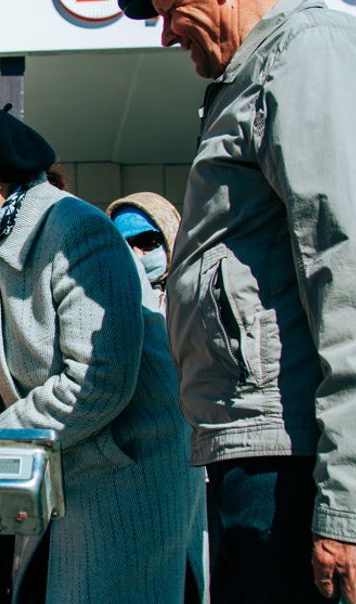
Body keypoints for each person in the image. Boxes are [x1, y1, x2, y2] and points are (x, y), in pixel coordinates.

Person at [119, 1, 356, 601]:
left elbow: (345, 269)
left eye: (164, 9)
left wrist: (347, 502)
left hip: (291, 451)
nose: (166, 35)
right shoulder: (250, 72)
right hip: (256, 440)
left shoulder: (303, 50)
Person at [0, 105, 205, 603]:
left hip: (127, 467)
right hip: (64, 459)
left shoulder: (78, 231)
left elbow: (98, 378)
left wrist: (0, 435)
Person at [106, 192, 181, 313]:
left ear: (171, 238)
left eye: (147, 241)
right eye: (124, 245)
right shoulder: (103, 302)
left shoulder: (196, 295)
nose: (136, 254)